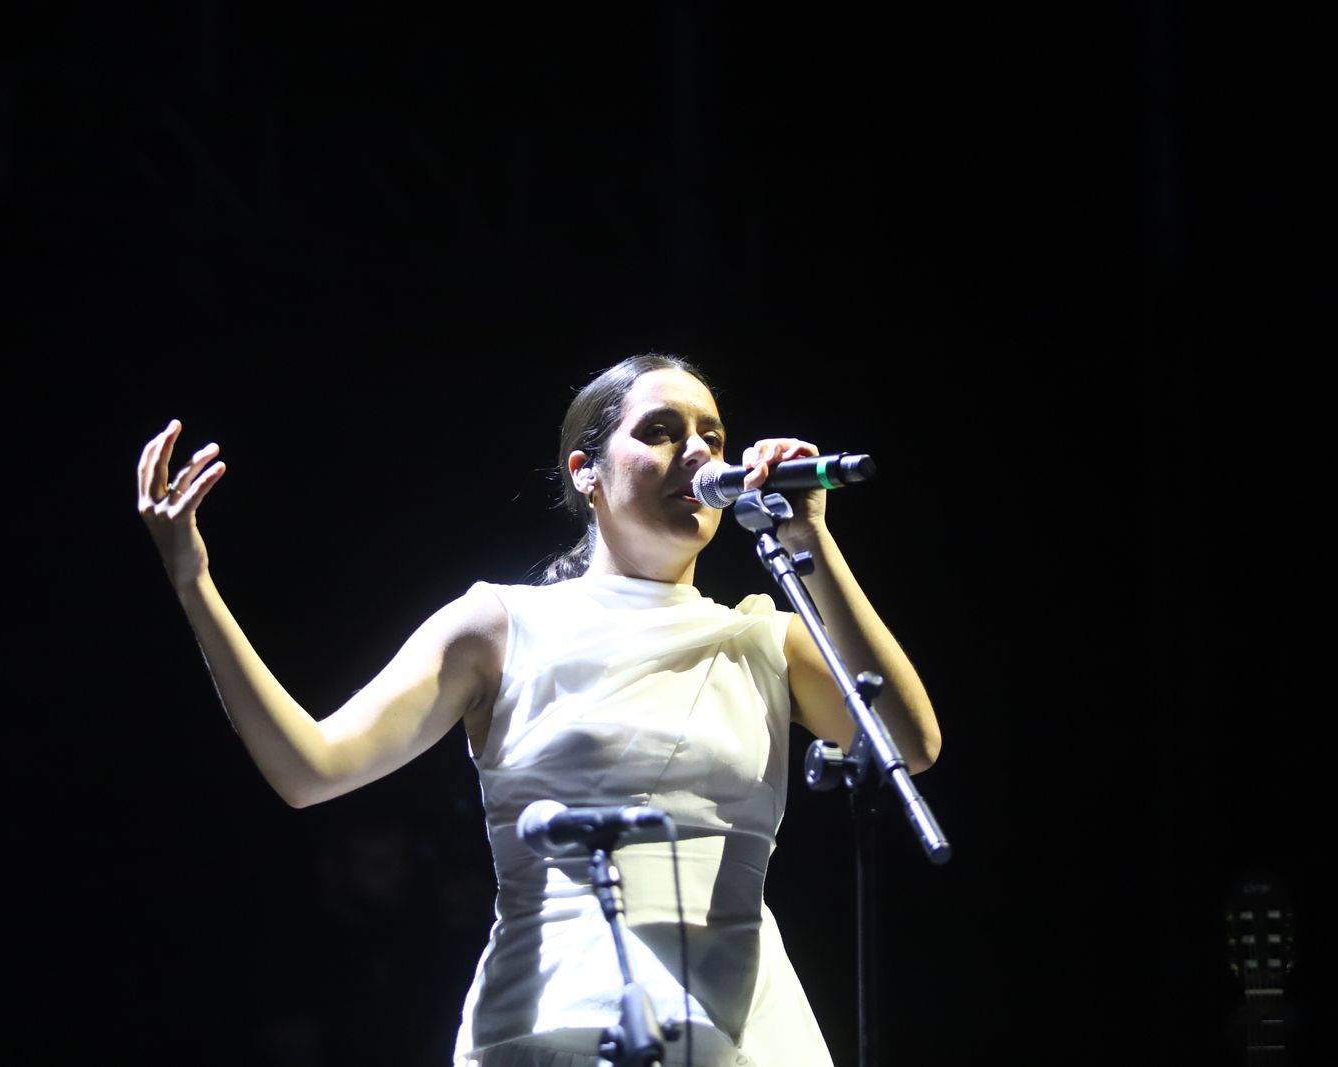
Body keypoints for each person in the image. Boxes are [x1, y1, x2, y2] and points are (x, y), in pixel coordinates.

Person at [136, 353, 941, 1066]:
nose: (696, 453)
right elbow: (308, 768)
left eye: (713, 436)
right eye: (661, 430)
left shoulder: (764, 639)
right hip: (559, 1014)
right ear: (586, 470)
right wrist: (193, 582)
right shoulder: (501, 624)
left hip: (745, 1026)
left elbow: (909, 741)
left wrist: (813, 541)